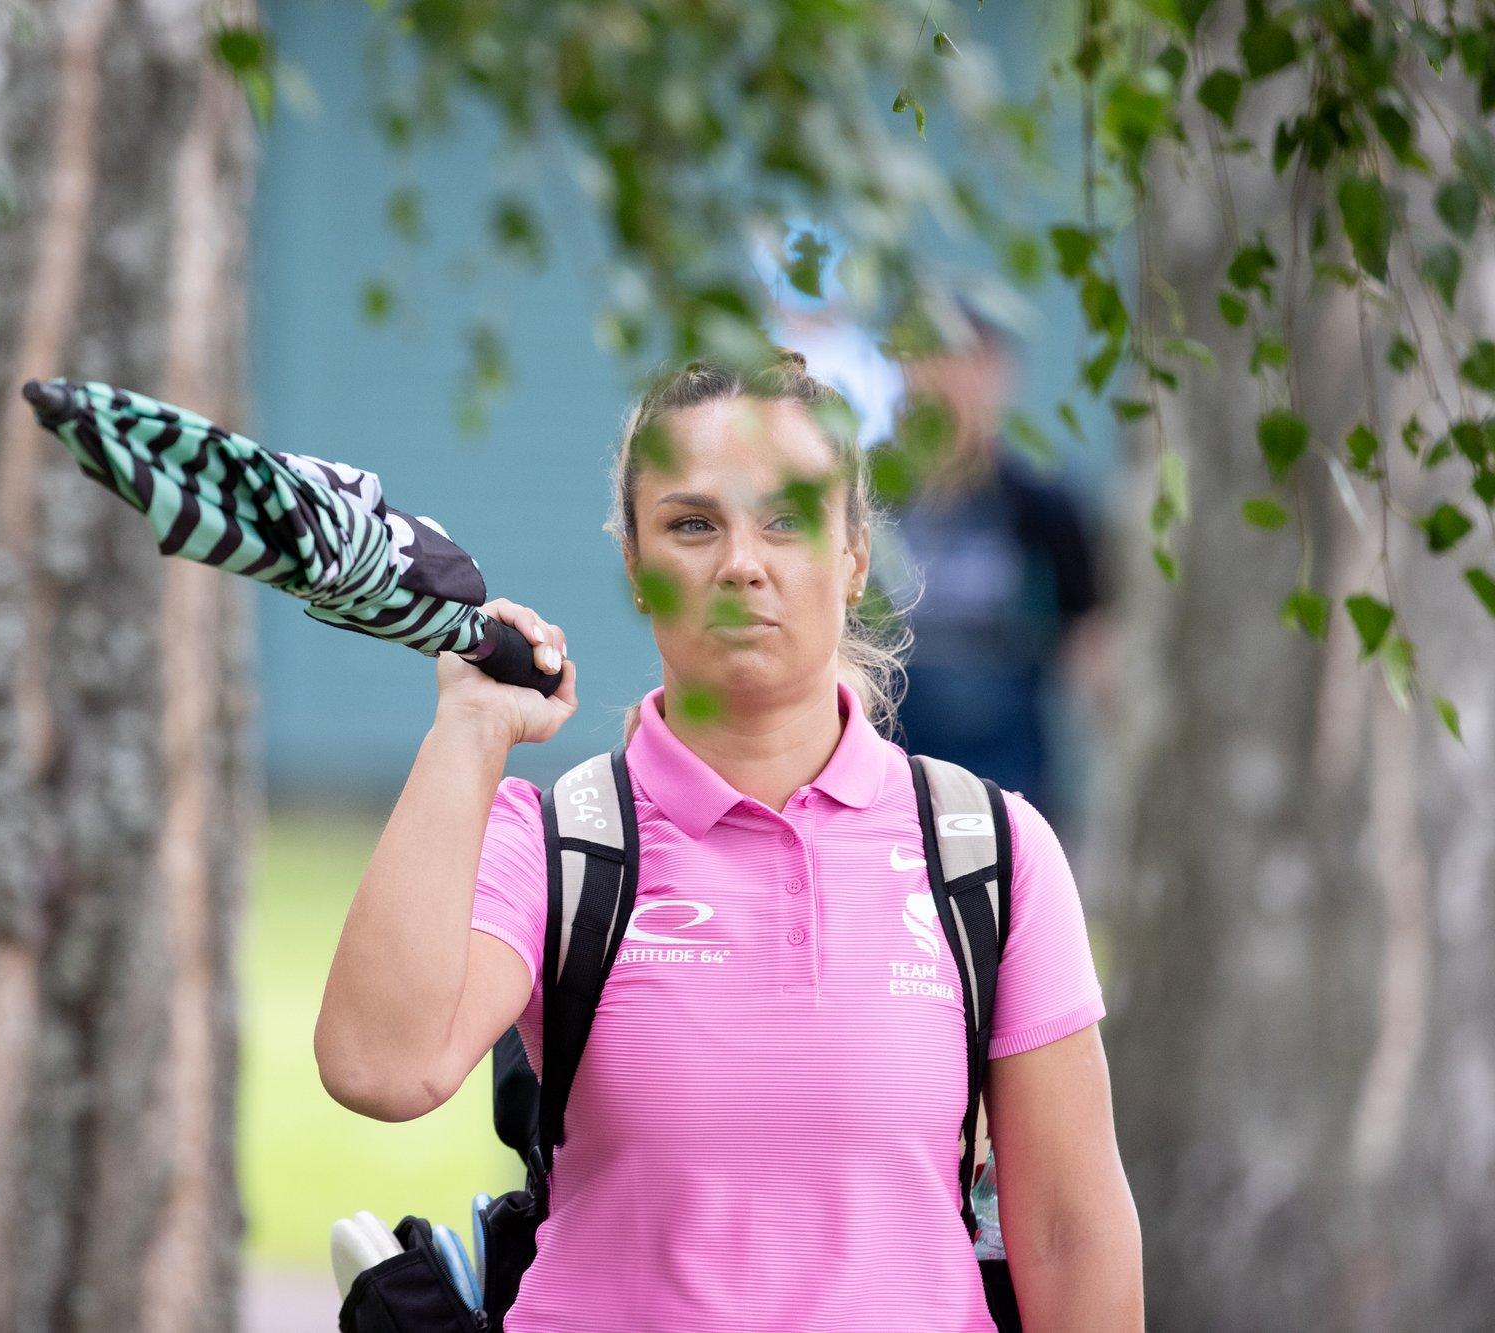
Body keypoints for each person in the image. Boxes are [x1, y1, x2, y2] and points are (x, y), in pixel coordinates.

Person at [313, 350, 1142, 1330]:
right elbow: (377, 1066)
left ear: (854, 554)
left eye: (786, 519)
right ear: (635, 564)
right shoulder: (559, 843)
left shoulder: (988, 853)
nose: (741, 561)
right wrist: (467, 732)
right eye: (691, 523)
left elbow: (1064, 1232)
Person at [880, 319, 1113, 833]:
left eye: (970, 363)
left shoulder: (1042, 503)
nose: (951, 381)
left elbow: (1090, 644)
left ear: (1000, 377)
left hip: (1007, 779)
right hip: (886, 772)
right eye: (932, 360)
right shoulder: (867, 493)